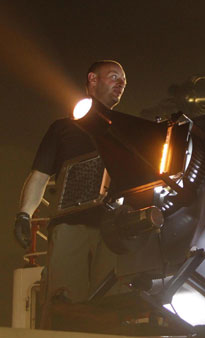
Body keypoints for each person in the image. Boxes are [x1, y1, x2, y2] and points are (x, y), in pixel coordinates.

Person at [13, 60, 127, 326]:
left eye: (123, 81)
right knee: (65, 303)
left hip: (113, 232)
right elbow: (40, 175)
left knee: (112, 307)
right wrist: (23, 215)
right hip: (71, 225)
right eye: (113, 77)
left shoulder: (125, 131)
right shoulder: (62, 129)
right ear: (92, 79)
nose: (120, 83)